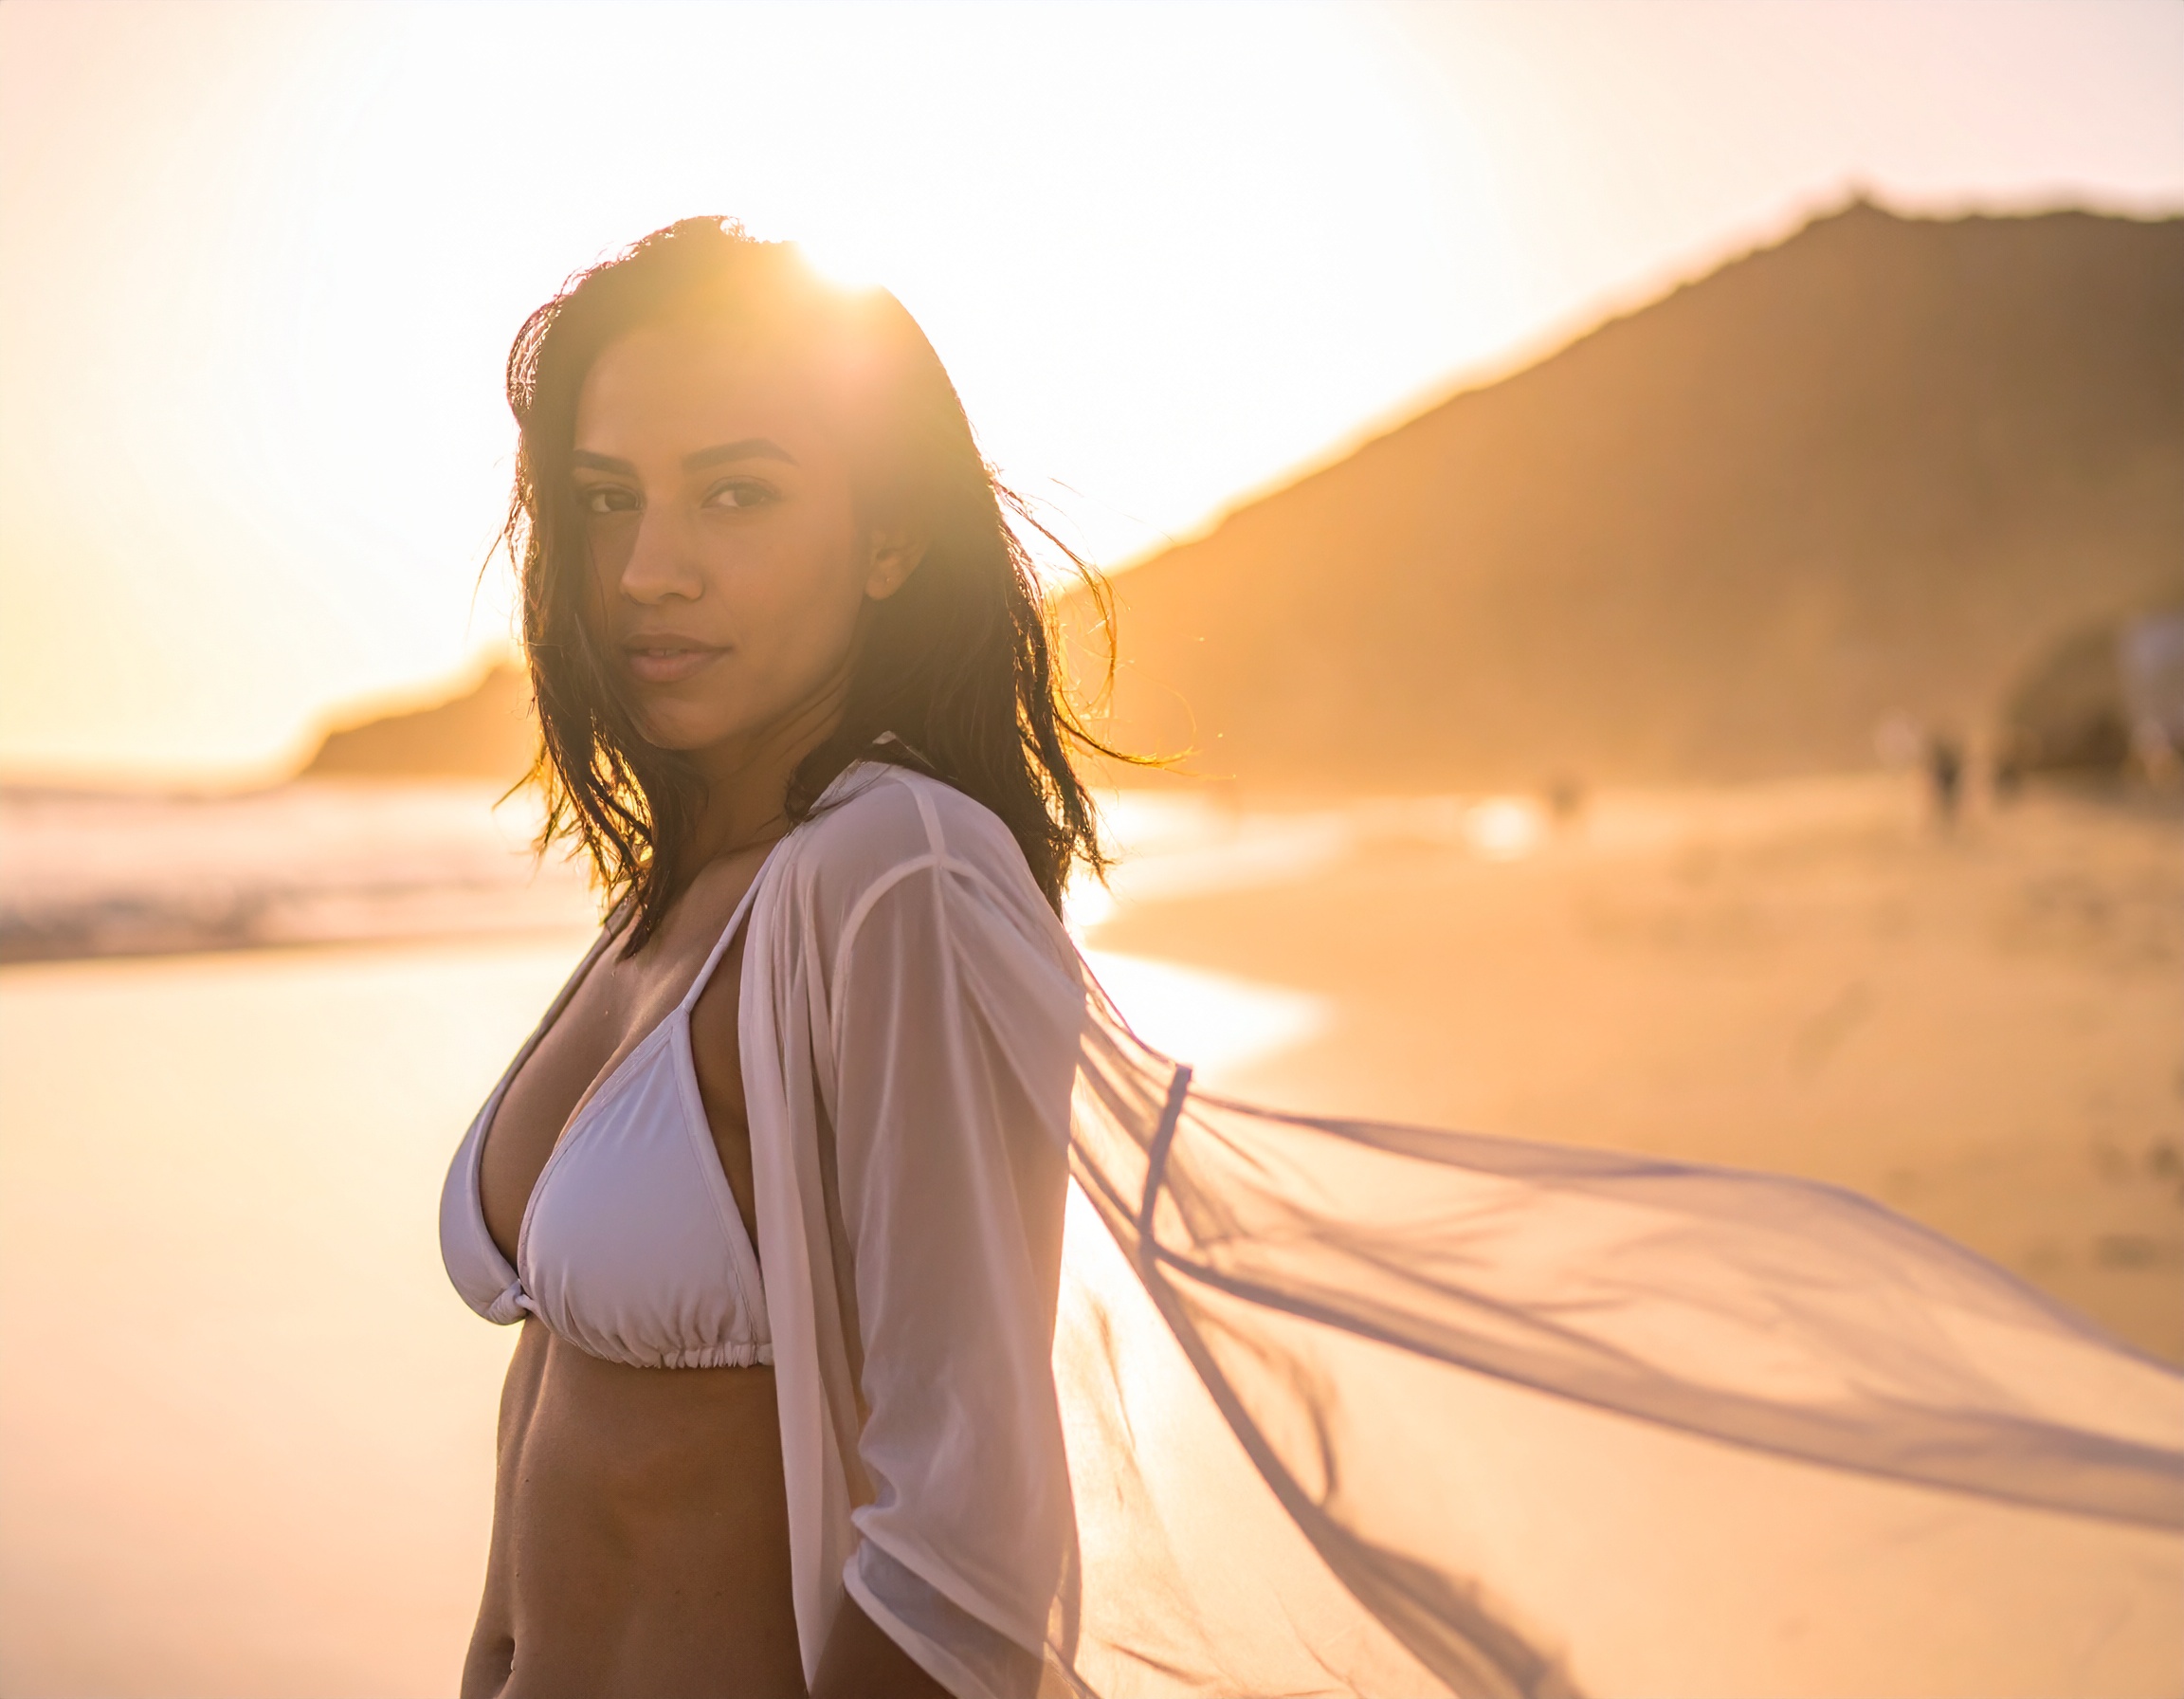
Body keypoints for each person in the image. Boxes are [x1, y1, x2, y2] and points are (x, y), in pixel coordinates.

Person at [443, 220, 2183, 1699]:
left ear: (887, 538)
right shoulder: (680, 892)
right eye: (607, 500)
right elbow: (561, 1431)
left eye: (735, 496)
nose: (650, 571)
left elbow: (961, 1520)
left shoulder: (890, 877)